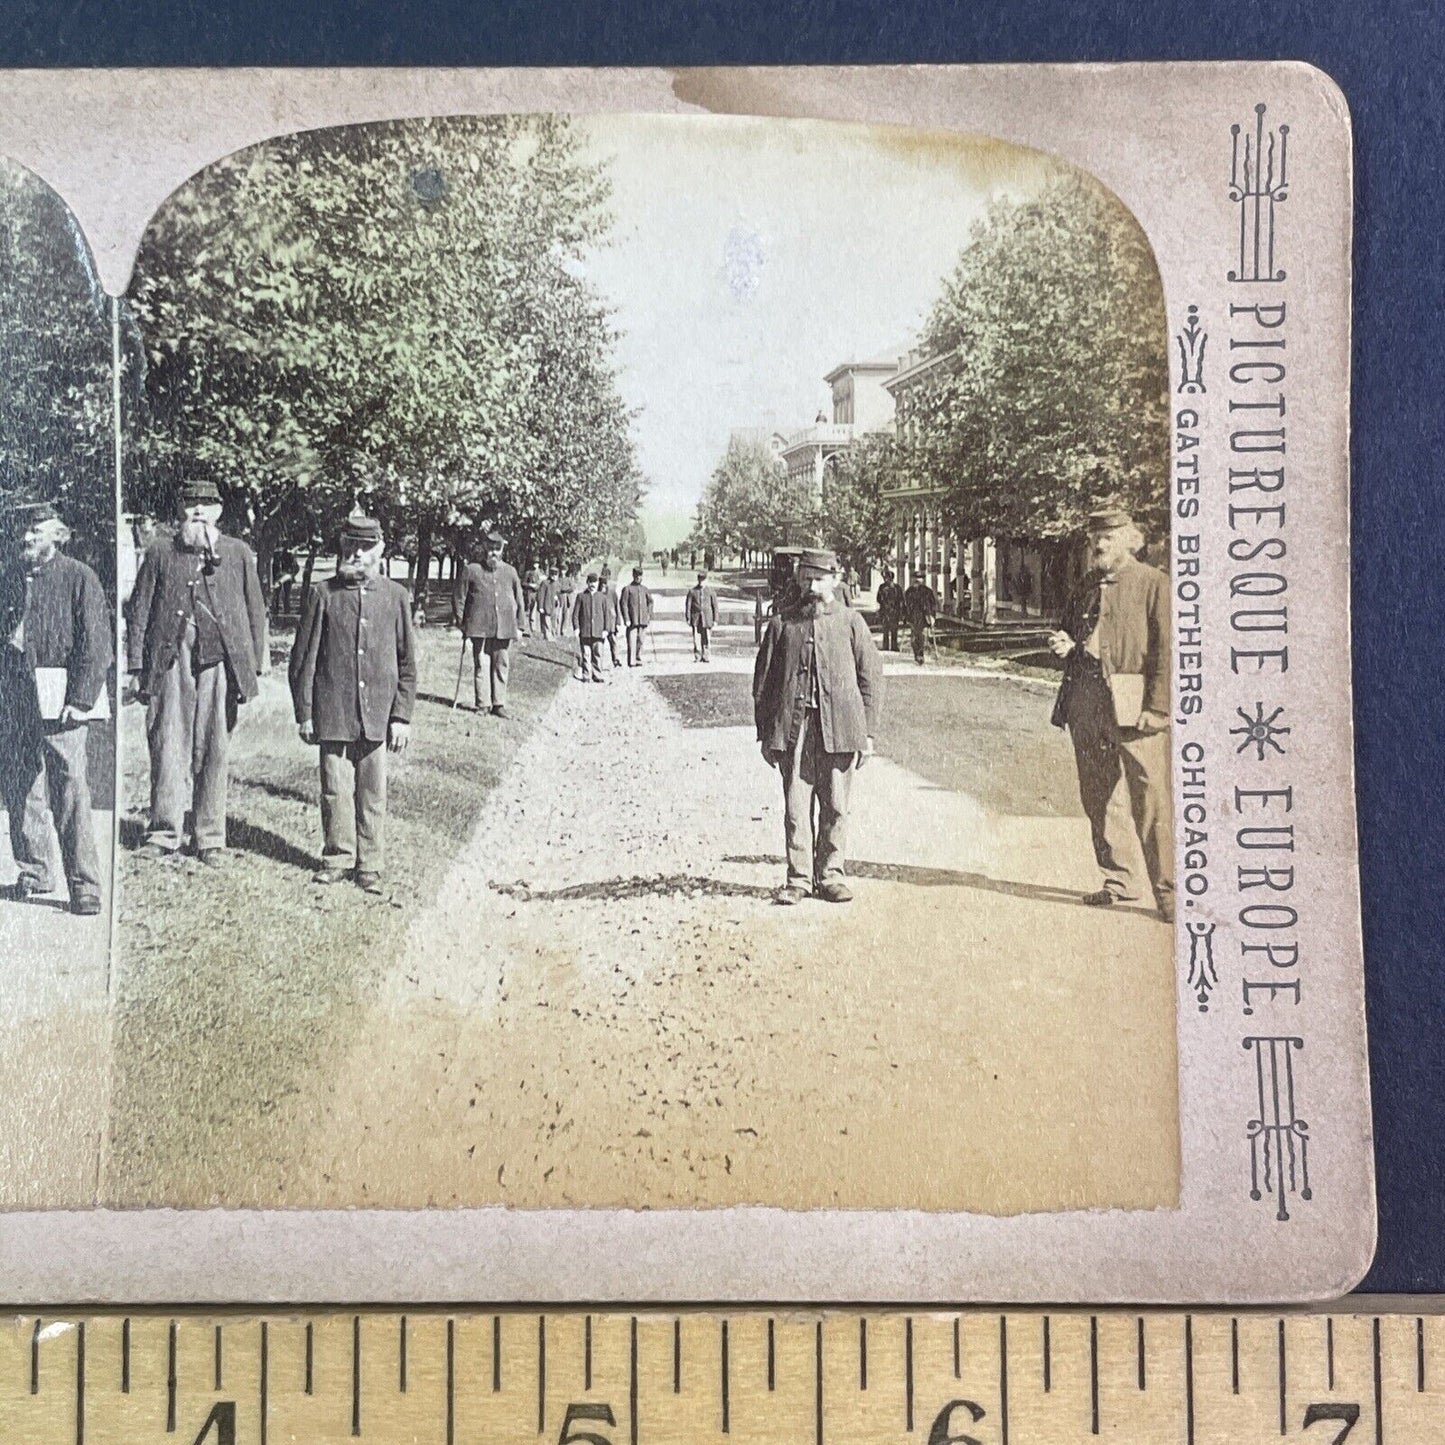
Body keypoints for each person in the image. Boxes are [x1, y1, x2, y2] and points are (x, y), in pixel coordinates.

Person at [126, 478, 266, 864]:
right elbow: (139, 610)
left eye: (206, 504)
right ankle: (163, 832)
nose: (199, 511)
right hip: (171, 661)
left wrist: (255, 663)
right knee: (168, 743)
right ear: (181, 510)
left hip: (220, 663)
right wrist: (136, 665)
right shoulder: (160, 552)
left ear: (219, 511)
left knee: (214, 748)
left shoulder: (238, 553)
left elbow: (255, 610)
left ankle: (209, 838)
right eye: (191, 504)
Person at [1048, 506, 1173, 923]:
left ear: (1129, 540)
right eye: (1094, 538)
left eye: (1107, 537)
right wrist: (1065, 641)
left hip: (1136, 706)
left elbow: (1167, 653)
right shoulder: (1085, 585)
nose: (1098, 545)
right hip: (1086, 703)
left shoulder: (1154, 584)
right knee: (1099, 795)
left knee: (1151, 798)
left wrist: (1159, 708)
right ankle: (1120, 882)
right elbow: (1070, 631)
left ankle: (1170, 894)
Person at [289, 512, 416, 894]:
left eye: (365, 547)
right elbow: (303, 659)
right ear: (342, 549)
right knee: (334, 788)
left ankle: (370, 864)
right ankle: (337, 857)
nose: (357, 554)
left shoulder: (396, 597)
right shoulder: (322, 594)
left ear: (379, 550)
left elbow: (407, 662)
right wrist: (306, 712)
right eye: (350, 547)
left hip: (377, 712)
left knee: (372, 791)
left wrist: (401, 716)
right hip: (333, 710)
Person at [752, 547, 883, 906]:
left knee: (836, 806)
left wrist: (867, 733)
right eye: (806, 577)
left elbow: (870, 678)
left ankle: (831, 875)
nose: (812, 585)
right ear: (798, 579)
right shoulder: (782, 624)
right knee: (796, 808)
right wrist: (766, 734)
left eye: (820, 578)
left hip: (839, 729)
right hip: (795, 731)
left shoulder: (852, 623)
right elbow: (762, 683)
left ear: (836, 580)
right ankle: (798, 879)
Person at [0, 501, 110, 914]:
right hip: (14, 696)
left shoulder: (79, 577)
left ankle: (84, 884)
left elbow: (96, 644)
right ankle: (34, 871)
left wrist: (80, 701)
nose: (27, 536)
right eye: (23, 528)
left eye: (37, 528)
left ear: (58, 535)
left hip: (61, 700)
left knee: (70, 787)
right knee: (20, 784)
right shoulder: (9, 577)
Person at [452, 531, 524, 719]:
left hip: (504, 627)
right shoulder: (472, 569)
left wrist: (520, 626)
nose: (493, 552)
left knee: (501, 665)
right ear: (485, 548)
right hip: (479, 627)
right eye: (490, 548)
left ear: (502, 550)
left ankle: (498, 704)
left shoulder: (510, 571)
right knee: (481, 665)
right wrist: (462, 623)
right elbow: (459, 598)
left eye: (497, 549)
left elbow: (520, 599)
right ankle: (483, 704)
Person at [572, 572, 609, 683]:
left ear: (598, 583)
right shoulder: (581, 596)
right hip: (585, 631)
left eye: (595, 582)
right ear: (587, 583)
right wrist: (577, 628)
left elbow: (607, 615)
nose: (593, 584)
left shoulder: (602, 597)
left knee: (597, 653)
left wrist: (606, 629)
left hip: (598, 631)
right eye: (591, 582)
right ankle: (586, 675)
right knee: (586, 654)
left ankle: (597, 674)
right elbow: (575, 615)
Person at [619, 566, 653, 666]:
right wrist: (626, 618)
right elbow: (623, 604)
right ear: (633, 576)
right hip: (632, 620)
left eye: (640, 576)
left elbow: (650, 602)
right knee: (632, 641)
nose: (638, 578)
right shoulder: (627, 589)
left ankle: (638, 658)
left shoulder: (645, 589)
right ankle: (632, 661)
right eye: (636, 576)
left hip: (643, 620)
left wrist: (648, 614)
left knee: (641, 640)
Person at [684, 570, 719, 662]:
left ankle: (706, 655)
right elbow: (688, 606)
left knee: (707, 637)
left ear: (706, 580)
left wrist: (715, 619)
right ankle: (698, 656)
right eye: (700, 580)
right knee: (697, 637)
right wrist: (688, 618)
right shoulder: (692, 591)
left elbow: (715, 606)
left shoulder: (711, 591)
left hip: (707, 618)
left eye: (703, 580)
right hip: (696, 618)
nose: (701, 582)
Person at [903, 574, 937, 665]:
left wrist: (932, 617)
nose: (917, 581)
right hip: (913, 617)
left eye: (919, 579)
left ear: (922, 580)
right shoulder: (908, 592)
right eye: (916, 579)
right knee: (914, 637)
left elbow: (933, 605)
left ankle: (920, 654)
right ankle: (916, 654)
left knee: (921, 636)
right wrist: (904, 616)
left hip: (924, 617)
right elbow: (904, 605)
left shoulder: (927, 591)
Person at [599, 566, 622, 668]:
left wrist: (618, 621)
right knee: (599, 643)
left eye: (605, 584)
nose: (603, 586)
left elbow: (617, 607)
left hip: (611, 623)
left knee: (614, 641)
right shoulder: (597, 594)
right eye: (601, 584)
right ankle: (598, 663)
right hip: (600, 623)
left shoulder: (612, 593)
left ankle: (616, 659)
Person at [875, 568, 904, 652]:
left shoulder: (886, 587)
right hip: (890, 611)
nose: (885, 579)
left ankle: (890, 646)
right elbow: (878, 598)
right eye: (885, 578)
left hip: (890, 611)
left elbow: (901, 600)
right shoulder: (896, 587)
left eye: (887, 578)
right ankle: (889, 646)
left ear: (890, 578)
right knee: (887, 629)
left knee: (891, 629)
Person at [537, 567, 561, 640]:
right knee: (546, 622)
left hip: (554, 606)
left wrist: (558, 598)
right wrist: (540, 606)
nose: (554, 576)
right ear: (550, 575)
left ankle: (553, 635)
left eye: (556, 575)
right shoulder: (545, 583)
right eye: (553, 575)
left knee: (554, 622)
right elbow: (540, 595)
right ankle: (548, 636)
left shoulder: (557, 584)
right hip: (546, 605)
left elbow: (558, 593)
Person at [522, 562, 545, 636]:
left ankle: (533, 628)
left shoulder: (541, 573)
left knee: (535, 611)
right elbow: (523, 583)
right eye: (534, 563)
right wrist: (530, 585)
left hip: (538, 593)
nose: (535, 565)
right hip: (529, 593)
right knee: (528, 610)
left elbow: (544, 583)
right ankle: (525, 628)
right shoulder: (528, 572)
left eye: (537, 563)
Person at [557, 568, 577, 636]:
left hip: (567, 597)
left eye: (564, 570)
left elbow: (573, 587)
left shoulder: (568, 579)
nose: (563, 571)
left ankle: (564, 630)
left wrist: (566, 590)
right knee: (558, 614)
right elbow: (556, 588)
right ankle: (557, 630)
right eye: (562, 570)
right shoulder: (558, 579)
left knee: (566, 615)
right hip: (559, 597)